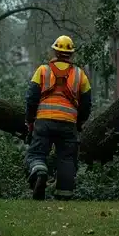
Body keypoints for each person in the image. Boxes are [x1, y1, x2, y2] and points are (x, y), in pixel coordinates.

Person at [25, 35, 92, 201]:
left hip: (44, 121)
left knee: (36, 154)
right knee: (67, 159)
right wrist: (80, 122)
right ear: (71, 54)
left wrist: (30, 120)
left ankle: (40, 172)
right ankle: (64, 196)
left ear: (55, 51)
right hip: (69, 123)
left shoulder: (42, 70)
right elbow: (87, 103)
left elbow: (31, 98)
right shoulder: (80, 74)